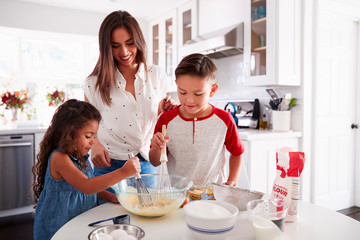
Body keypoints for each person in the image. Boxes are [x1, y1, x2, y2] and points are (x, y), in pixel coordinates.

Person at [82, 10, 176, 192]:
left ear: (139, 41)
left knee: (145, 218)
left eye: (130, 43)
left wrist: (164, 109)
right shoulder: (93, 84)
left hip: (146, 163)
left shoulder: (156, 75)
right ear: (106, 47)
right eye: (115, 45)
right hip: (108, 165)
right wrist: (95, 146)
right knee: (107, 219)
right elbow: (85, 128)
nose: (124, 52)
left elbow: (151, 117)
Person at [32, 99, 140, 240]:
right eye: (88, 136)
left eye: (94, 136)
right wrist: (123, 172)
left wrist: (111, 197)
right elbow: (86, 186)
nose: (93, 141)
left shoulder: (80, 156)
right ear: (69, 134)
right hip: (57, 227)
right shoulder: (59, 158)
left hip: (77, 223)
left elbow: (82, 188)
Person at [149, 53, 244, 187]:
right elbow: (155, 161)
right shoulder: (166, 119)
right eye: (182, 92)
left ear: (212, 90)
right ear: (176, 84)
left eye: (198, 94)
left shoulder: (224, 120)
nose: (189, 100)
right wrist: (156, 147)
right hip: (177, 195)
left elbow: (237, 153)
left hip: (211, 195)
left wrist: (233, 180)